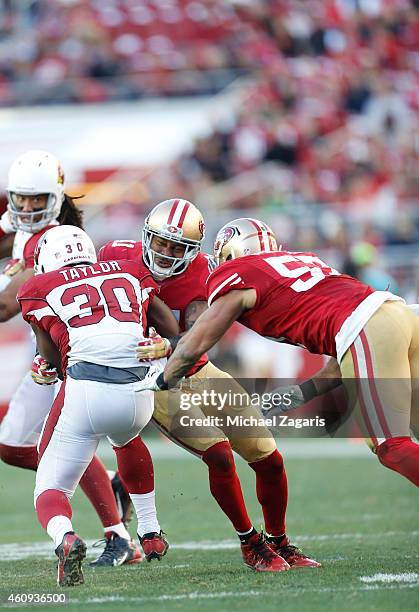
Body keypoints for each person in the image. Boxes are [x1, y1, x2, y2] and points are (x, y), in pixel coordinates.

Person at [100, 199, 320, 572]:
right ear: (145, 237)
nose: (166, 254)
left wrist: (169, 345)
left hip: (197, 369)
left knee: (269, 458)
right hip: (152, 380)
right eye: (160, 243)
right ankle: (251, 543)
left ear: (194, 251)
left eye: (177, 247)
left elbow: (201, 331)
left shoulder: (204, 271)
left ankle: (280, 541)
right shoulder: (115, 255)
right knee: (218, 453)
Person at [139, 217, 419, 488]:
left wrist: (160, 382)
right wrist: (298, 394)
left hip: (369, 327)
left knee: (392, 446)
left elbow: (197, 341)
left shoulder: (237, 272)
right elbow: (347, 355)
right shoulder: (303, 261)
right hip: (401, 315)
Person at [0, 150, 141, 566]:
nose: (26, 207)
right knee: (12, 445)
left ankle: (119, 538)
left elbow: (6, 307)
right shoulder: (24, 226)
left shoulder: (56, 240)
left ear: (56, 198)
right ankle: (113, 485)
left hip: (69, 358)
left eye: (36, 199)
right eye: (21, 198)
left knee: (52, 449)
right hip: (50, 355)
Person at [17, 224, 178, 586]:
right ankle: (150, 530)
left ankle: (66, 538)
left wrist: (44, 367)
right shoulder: (130, 269)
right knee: (126, 439)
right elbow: (170, 328)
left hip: (88, 390)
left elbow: (53, 360)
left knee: (50, 486)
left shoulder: (38, 288)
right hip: (140, 394)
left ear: (48, 258)